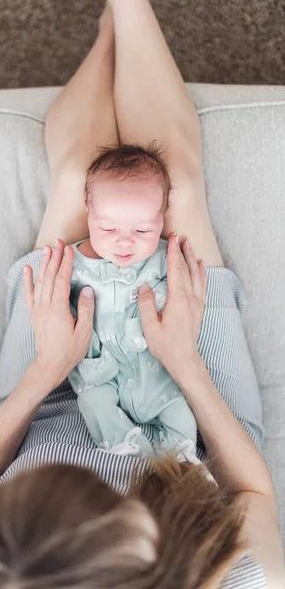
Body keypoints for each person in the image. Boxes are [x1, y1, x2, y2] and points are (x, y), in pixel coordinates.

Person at [0, 0, 284, 588]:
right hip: (195, 419)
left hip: (49, 402)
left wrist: (49, 366)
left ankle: (109, 28)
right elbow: (251, 489)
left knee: (80, 176)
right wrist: (184, 362)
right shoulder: (237, 576)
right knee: (178, 189)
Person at [67, 143, 200, 460]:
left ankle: (182, 459)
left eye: (142, 229)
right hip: (100, 372)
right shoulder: (74, 264)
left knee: (179, 410)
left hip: (153, 372)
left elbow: (178, 301)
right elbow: (64, 313)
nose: (123, 241)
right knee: (94, 404)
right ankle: (127, 449)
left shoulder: (163, 261)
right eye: (107, 227)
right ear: (88, 208)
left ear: (163, 214)